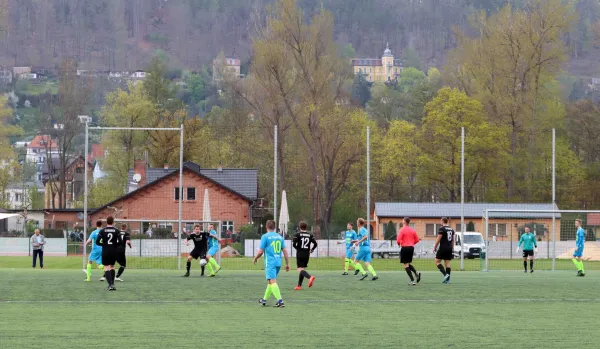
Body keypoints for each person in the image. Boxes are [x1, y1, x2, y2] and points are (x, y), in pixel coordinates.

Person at [254, 220, 290, 308]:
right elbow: (284, 250)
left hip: (270, 262)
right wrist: (287, 263)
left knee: (272, 281)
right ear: (274, 227)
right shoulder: (279, 237)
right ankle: (264, 300)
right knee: (271, 281)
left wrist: (255, 258)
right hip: (278, 262)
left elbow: (261, 251)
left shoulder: (265, 237)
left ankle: (280, 301)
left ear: (266, 227)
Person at [96, 216, 122, 291]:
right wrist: (114, 245)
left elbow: (97, 241)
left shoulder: (102, 231)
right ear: (113, 222)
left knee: (106, 267)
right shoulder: (117, 231)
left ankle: (110, 285)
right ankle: (112, 284)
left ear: (106, 222)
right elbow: (120, 242)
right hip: (114, 251)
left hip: (105, 251)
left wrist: (103, 244)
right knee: (112, 267)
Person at [292, 221, 317, 290]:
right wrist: (311, 250)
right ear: (306, 227)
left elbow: (294, 244)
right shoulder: (310, 235)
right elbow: (315, 244)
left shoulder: (297, 234)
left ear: (300, 227)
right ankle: (299, 286)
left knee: (299, 269)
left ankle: (310, 277)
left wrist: (298, 249)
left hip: (300, 254)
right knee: (302, 269)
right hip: (307, 254)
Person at [397, 217, 421, 285]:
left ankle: (412, 280)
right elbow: (417, 240)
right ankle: (416, 273)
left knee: (406, 264)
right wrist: (411, 243)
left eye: (402, 220)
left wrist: (399, 244)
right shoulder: (412, 230)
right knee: (407, 263)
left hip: (405, 247)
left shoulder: (402, 230)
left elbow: (398, 240)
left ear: (404, 221)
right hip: (411, 248)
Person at [433, 217, 455, 284]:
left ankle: (446, 275)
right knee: (447, 263)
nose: (440, 222)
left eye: (440, 221)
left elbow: (438, 239)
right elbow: (453, 240)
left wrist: (434, 247)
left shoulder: (442, 229)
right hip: (449, 248)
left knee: (437, 261)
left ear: (442, 221)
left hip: (443, 248)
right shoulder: (452, 229)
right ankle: (448, 280)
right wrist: (452, 248)